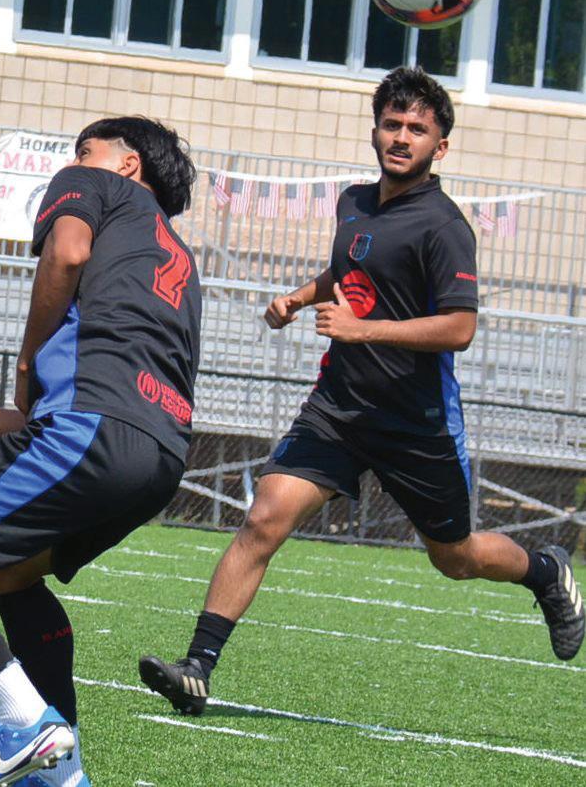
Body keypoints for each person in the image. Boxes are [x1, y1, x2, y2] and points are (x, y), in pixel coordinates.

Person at [139, 66, 584, 719]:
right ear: (375, 130)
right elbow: (350, 268)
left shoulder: (444, 226)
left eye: (417, 129)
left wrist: (361, 328)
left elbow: (460, 328)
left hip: (416, 422)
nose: (402, 137)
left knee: (455, 558)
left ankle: (544, 571)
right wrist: (299, 297)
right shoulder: (354, 202)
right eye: (392, 124)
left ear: (440, 146)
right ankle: (197, 669)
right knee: (264, 518)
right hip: (338, 409)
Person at [0, 117, 201, 787]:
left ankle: (24, 721)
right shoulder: (175, 254)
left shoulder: (91, 186)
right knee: (14, 570)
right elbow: (114, 380)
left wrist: (25, 360)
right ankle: (59, 774)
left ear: (126, 163)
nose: (74, 158)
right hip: (160, 455)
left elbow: (66, 254)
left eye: (86, 149)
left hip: (92, 433)